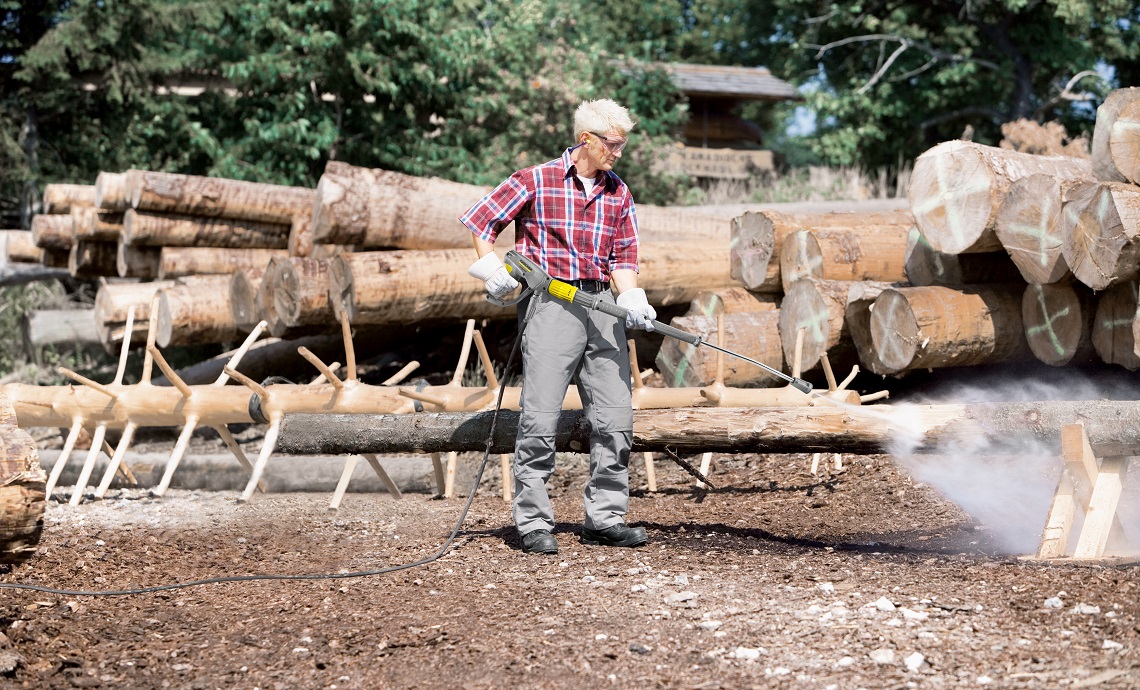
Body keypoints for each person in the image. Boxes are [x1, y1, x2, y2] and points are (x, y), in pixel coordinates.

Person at [459, 98, 657, 555]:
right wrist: (490, 268)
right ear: (585, 139)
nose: (618, 153)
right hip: (551, 303)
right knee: (540, 417)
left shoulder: (618, 192)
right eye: (612, 144)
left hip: (602, 305)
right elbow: (480, 221)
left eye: (622, 145)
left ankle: (605, 518)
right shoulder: (536, 179)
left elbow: (623, 257)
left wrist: (631, 297)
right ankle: (532, 522)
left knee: (615, 417)